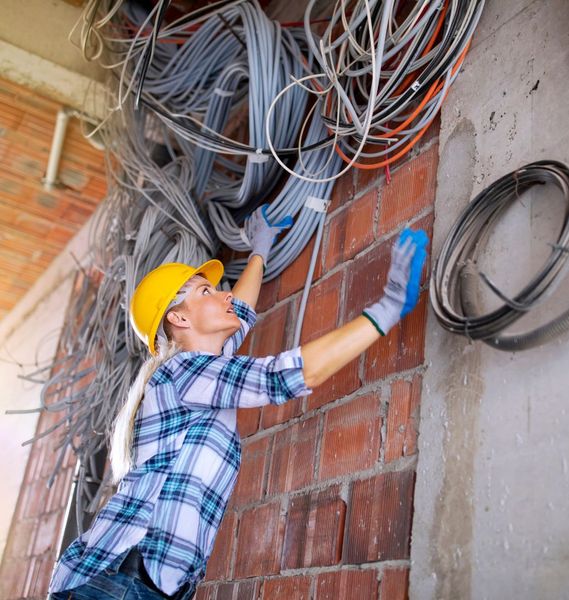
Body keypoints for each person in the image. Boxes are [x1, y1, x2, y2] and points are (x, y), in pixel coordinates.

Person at [48, 204, 428, 599]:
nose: (224, 294)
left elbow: (240, 309)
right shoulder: (183, 372)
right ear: (178, 320)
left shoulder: (199, 369)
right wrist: (386, 309)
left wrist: (259, 250)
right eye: (206, 291)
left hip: (133, 583)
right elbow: (283, 376)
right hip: (116, 583)